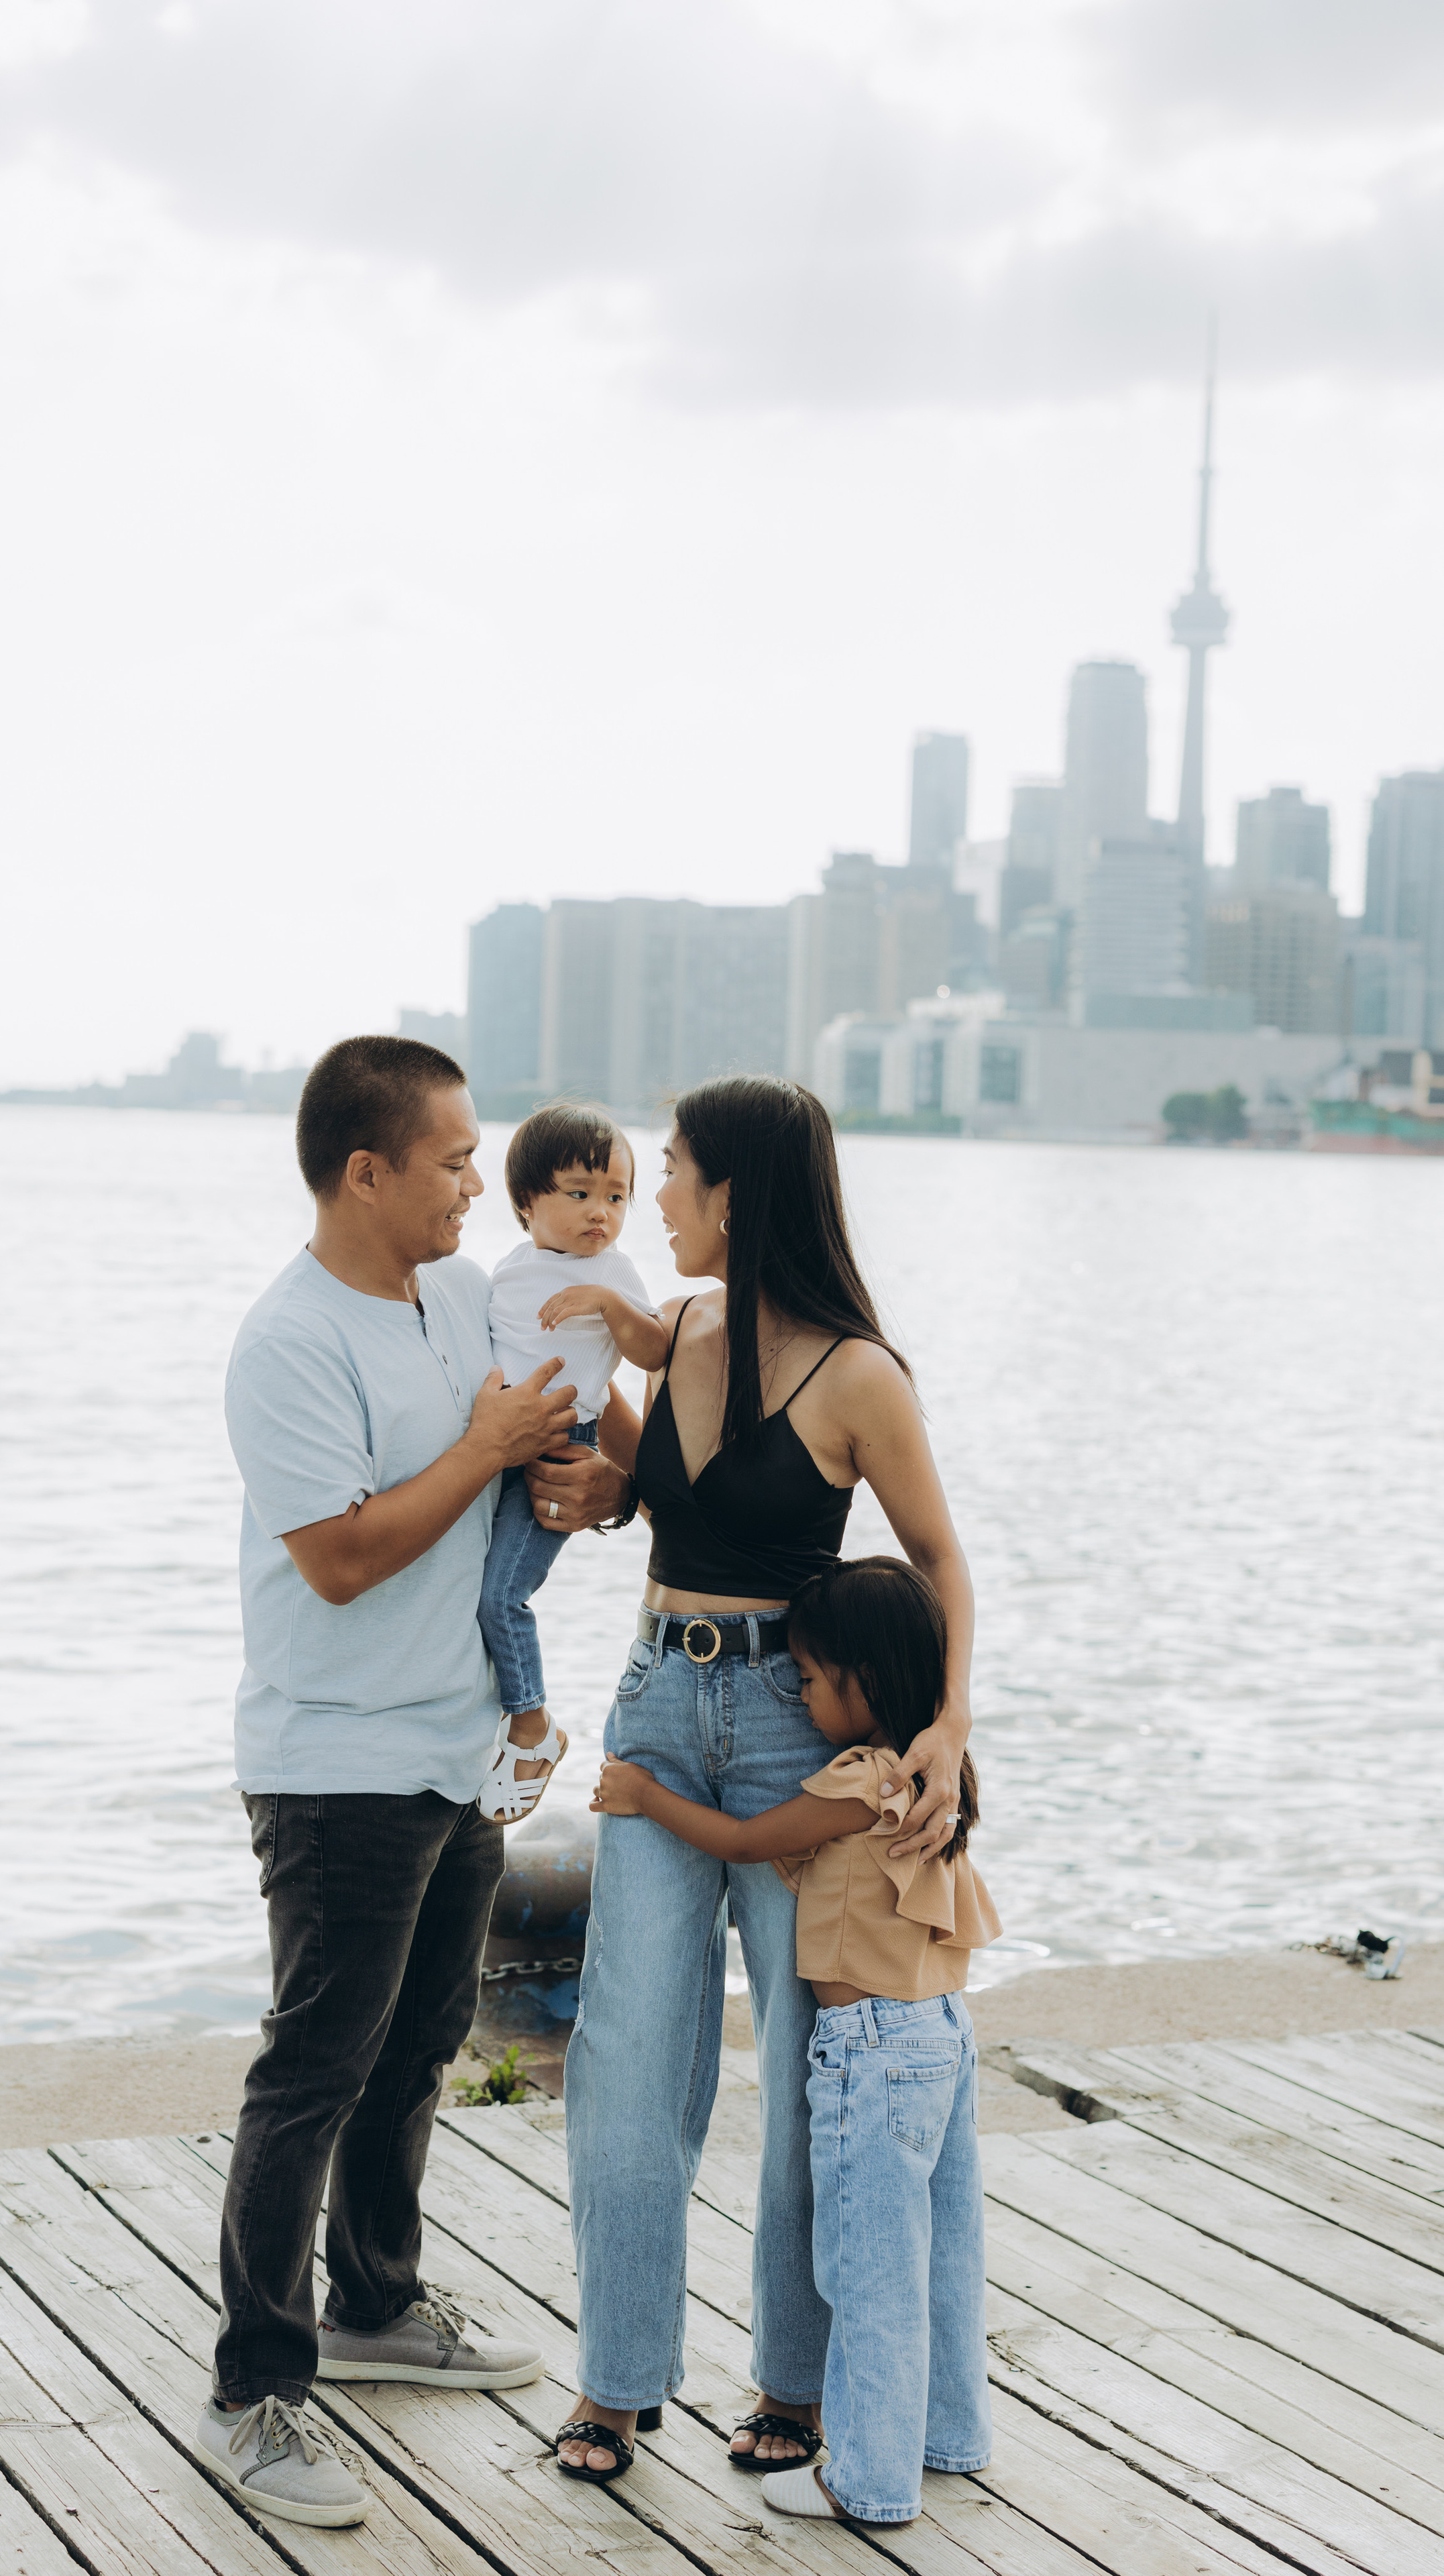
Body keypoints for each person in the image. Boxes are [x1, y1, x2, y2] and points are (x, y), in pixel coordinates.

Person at [553, 1075, 977, 2485]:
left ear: (734, 1190)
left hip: (796, 1730)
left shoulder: (858, 1374)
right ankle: (614, 2385)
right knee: (625, 2059)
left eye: (669, 1171)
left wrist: (946, 1728)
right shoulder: (675, 1329)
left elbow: (934, 1560)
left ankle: (791, 2383)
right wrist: (589, 1465)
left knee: (810, 2070)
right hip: (658, 1705)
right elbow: (661, 1496)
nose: (651, 1195)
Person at [195, 1035, 590, 2529]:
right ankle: (259, 2384)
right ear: (365, 1171)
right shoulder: (289, 1341)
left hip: (458, 1746)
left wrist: (554, 1469)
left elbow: (498, 1481)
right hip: (336, 1764)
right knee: (314, 2068)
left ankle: (373, 2304)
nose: (474, 1184)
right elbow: (343, 1558)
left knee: (421, 2046)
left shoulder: (447, 1298)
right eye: (449, 1160)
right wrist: (484, 1441)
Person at [592, 1554, 998, 2526]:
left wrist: (645, 1797)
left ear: (865, 1681)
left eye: (811, 1680)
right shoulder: (921, 1778)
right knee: (938, 2251)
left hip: (869, 2053)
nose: (803, 1695)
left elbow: (740, 1843)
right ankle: (950, 2435)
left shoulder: (857, 1778)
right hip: (939, 2032)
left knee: (866, 2266)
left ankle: (867, 2479)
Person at [476, 1103, 667, 1823]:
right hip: (494, 1447)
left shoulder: (614, 1272)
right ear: (526, 1201)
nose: (602, 1213)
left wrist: (609, 1305)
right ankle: (486, 1720)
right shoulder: (508, 1269)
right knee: (466, 1583)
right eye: (580, 1193)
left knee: (502, 1595)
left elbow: (653, 1351)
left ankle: (533, 1725)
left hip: (562, 1448)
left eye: (617, 1197)